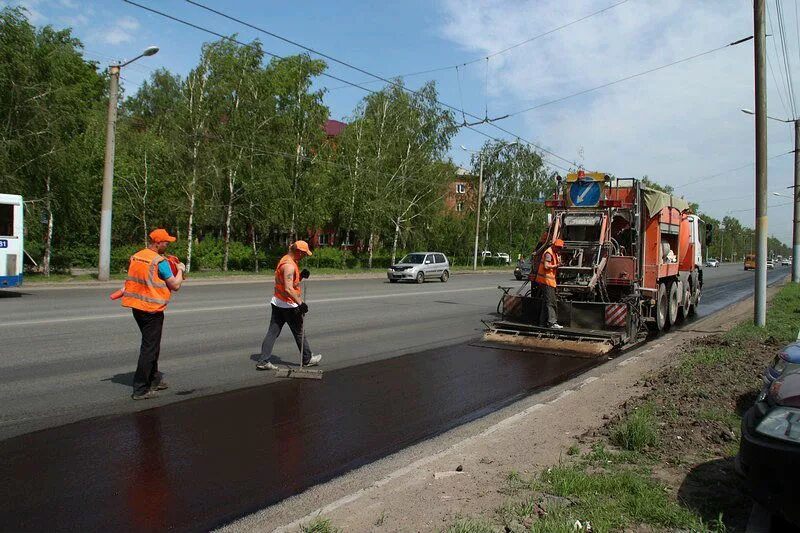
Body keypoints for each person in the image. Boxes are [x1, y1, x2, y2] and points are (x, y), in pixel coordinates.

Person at [121, 228, 184, 400]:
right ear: (157, 243)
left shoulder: (137, 256)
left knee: (152, 345)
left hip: (137, 307)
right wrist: (180, 269)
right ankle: (140, 389)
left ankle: (154, 379)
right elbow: (175, 285)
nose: (167, 245)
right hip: (151, 309)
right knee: (149, 348)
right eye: (166, 242)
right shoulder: (159, 262)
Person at [256, 240, 322, 371]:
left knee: (272, 332)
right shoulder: (289, 266)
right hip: (289, 306)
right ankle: (307, 359)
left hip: (278, 303)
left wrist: (301, 276)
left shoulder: (285, 259)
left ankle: (263, 360)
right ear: (298, 252)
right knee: (299, 333)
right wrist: (301, 303)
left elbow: (290, 283)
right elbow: (288, 288)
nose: (304, 256)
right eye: (304, 254)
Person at [535, 238, 564, 329]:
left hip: (548, 281)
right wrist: (557, 266)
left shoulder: (554, 253)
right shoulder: (549, 253)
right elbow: (546, 266)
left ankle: (542, 322)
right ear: (554, 246)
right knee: (551, 302)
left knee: (546, 302)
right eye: (558, 248)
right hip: (547, 281)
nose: (559, 249)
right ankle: (552, 323)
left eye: (560, 248)